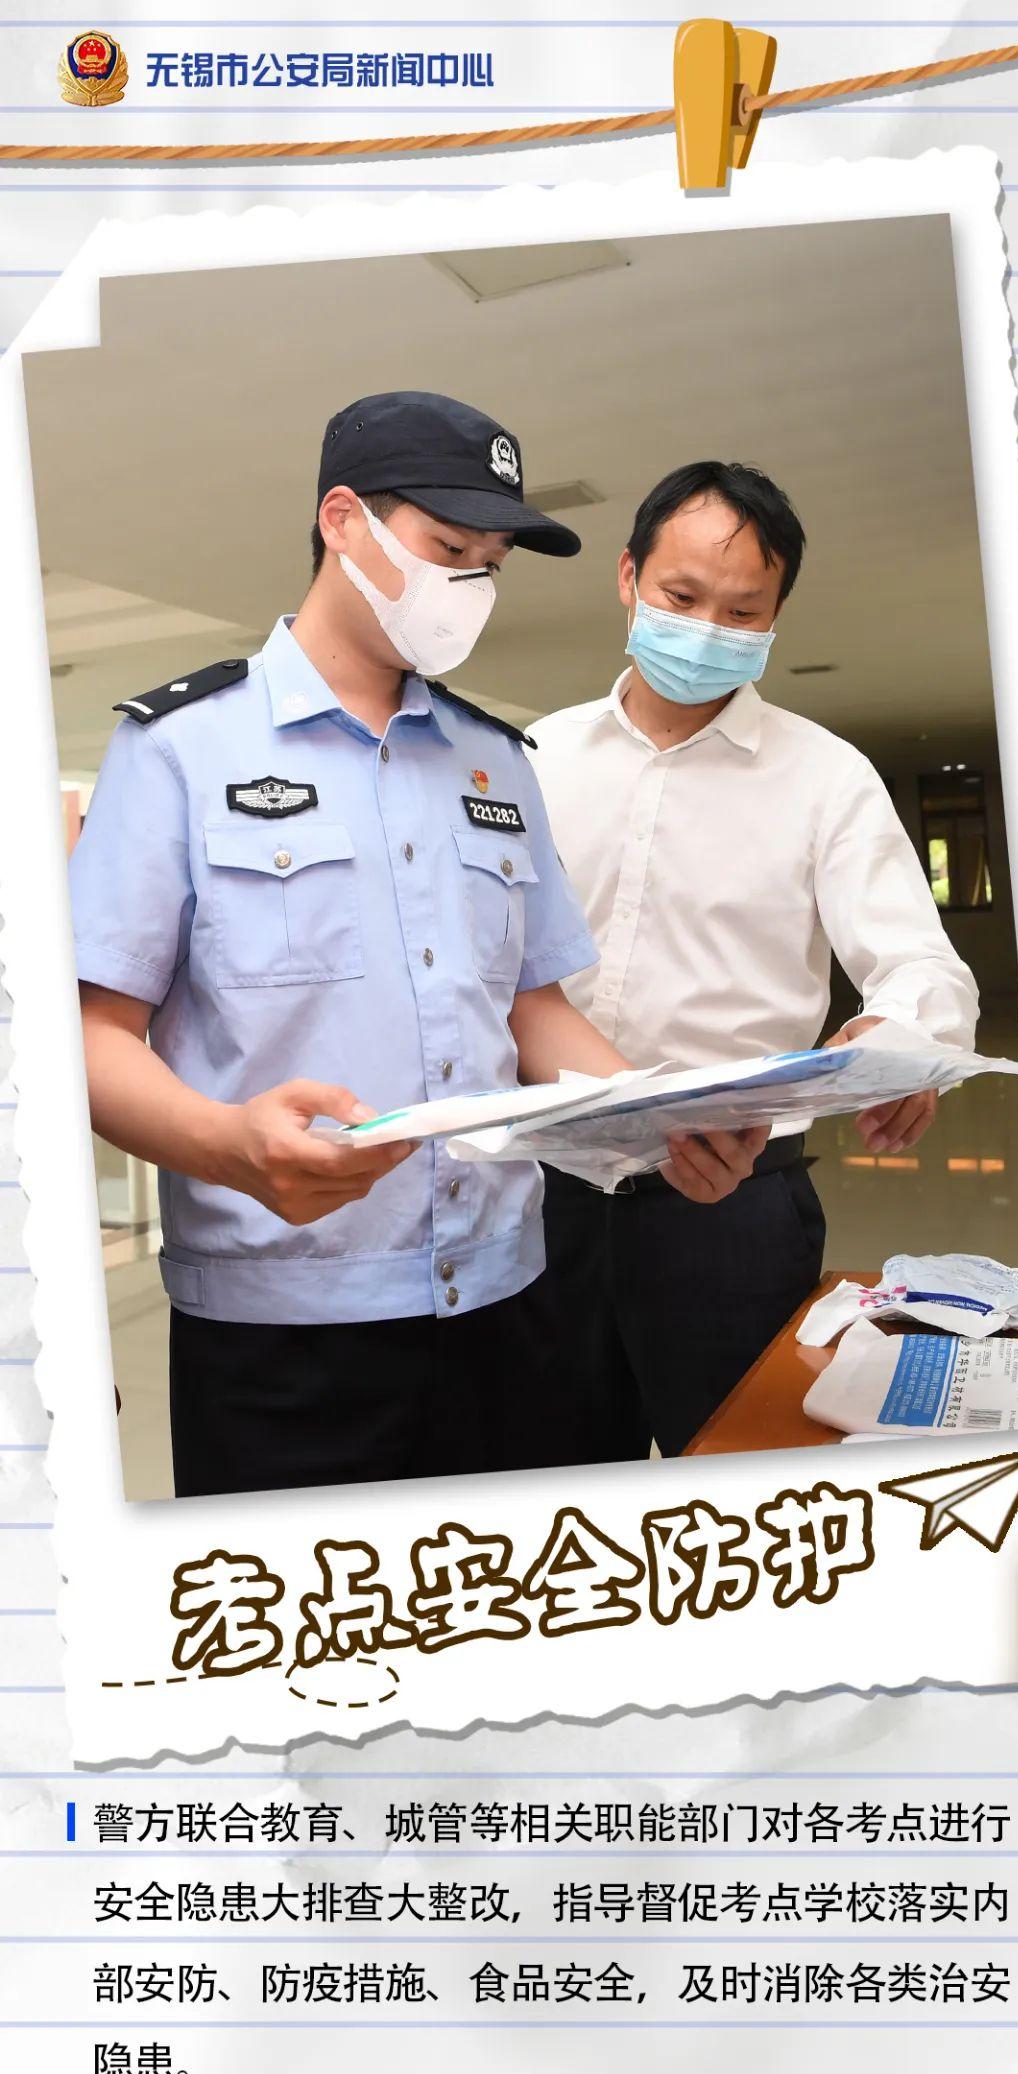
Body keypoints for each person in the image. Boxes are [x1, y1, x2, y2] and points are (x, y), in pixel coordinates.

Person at [69, 394, 761, 1498]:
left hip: (510, 1305)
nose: (469, 587)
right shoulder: (180, 749)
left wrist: (660, 1116)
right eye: (447, 550)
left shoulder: (497, 762)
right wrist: (228, 1145)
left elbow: (532, 1009)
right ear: (343, 521)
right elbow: (93, 1038)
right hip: (283, 1332)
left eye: (490, 564)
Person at [527, 458, 980, 1461]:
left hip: (733, 1206)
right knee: (545, 1486)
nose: (706, 631)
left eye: (741, 612)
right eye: (682, 597)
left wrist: (900, 1039)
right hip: (540, 1201)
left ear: (776, 619)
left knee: (740, 1483)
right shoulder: (536, 759)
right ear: (627, 577)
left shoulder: (825, 778)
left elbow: (922, 963)